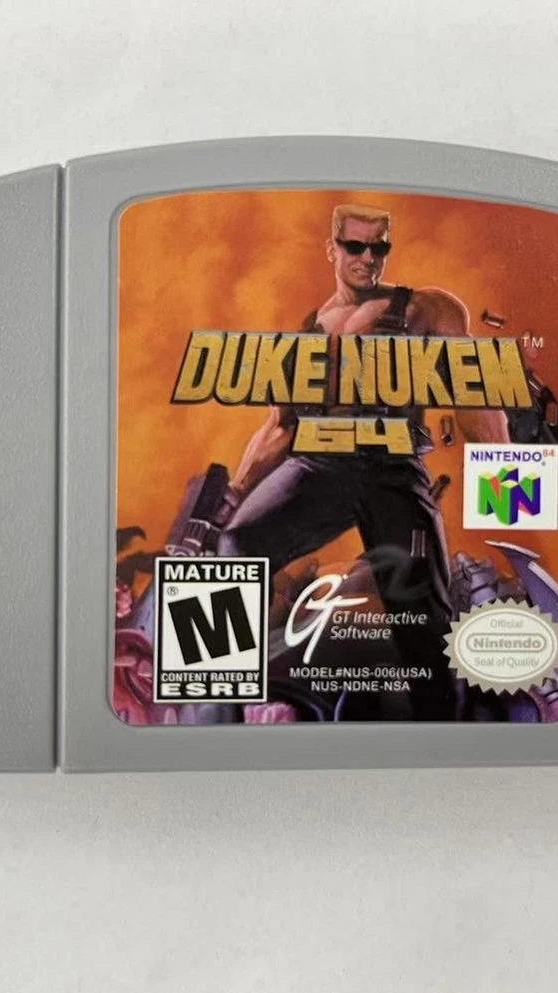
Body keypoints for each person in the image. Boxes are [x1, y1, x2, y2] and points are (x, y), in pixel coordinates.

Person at [217, 204, 511, 719]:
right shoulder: (307, 332)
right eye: (355, 246)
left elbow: (476, 394)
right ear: (331, 249)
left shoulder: (425, 308)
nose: (368, 258)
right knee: (234, 544)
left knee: (422, 615)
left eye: (380, 247)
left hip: (390, 471)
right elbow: (279, 427)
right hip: (318, 468)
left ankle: (443, 735)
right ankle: (214, 711)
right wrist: (235, 492)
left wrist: (508, 482)